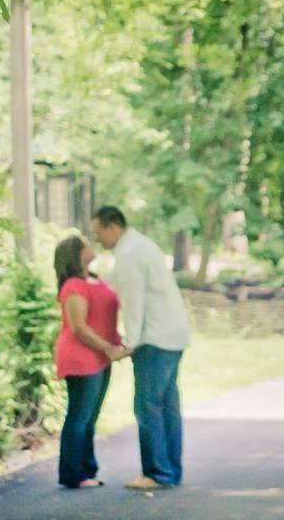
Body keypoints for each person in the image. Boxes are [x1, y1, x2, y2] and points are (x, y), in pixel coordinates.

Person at [90, 206, 191, 490]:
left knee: (147, 406)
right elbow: (119, 286)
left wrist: (130, 342)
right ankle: (171, 470)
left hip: (154, 338)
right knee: (167, 405)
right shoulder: (141, 246)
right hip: (173, 335)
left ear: (113, 227)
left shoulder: (129, 253)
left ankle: (157, 473)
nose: (98, 239)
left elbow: (133, 299)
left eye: (98, 232)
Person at [53, 235, 129, 489]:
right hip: (81, 355)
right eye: (85, 243)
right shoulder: (74, 285)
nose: (91, 245)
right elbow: (79, 327)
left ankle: (87, 469)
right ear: (77, 252)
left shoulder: (96, 280)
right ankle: (73, 474)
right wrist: (108, 348)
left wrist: (118, 345)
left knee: (90, 416)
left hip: (101, 355)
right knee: (79, 415)